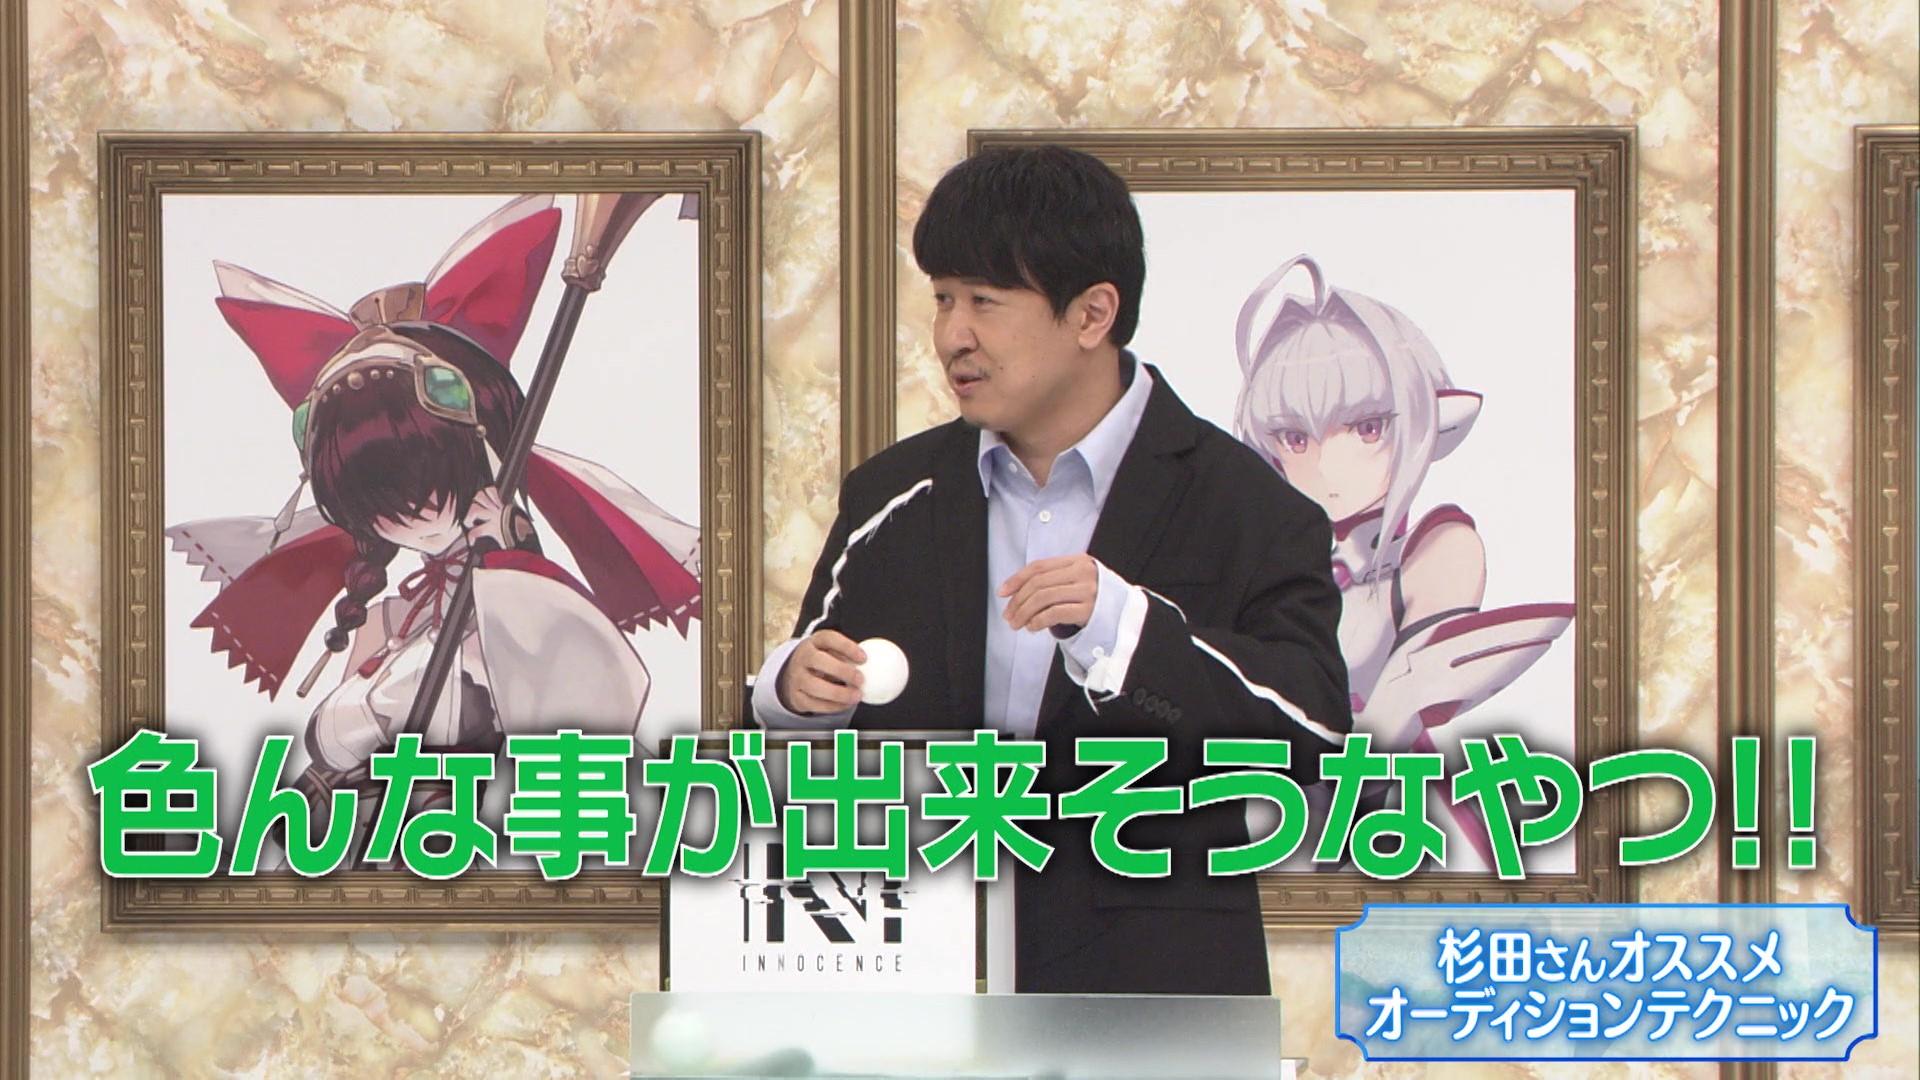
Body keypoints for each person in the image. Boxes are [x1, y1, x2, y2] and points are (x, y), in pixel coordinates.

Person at [750, 146, 1352, 994]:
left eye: (985, 302)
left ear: (1092, 313)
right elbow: (800, 716)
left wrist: (1124, 633)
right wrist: (791, 696)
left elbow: (1314, 733)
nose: (952, 336)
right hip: (919, 983)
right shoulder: (893, 494)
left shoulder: (1248, 505)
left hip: (1154, 996)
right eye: (943, 298)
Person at [169, 194, 701, 814]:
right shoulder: (393, 621)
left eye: (428, 483)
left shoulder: (530, 603)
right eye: (383, 503)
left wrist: (509, 567)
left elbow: (587, 718)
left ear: (488, 454)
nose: (414, 514)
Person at [1231, 253, 1574, 869]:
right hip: (1279, 805)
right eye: (1296, 438)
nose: (1326, 467)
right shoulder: (1261, 561)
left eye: (1365, 428)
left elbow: (1399, 705)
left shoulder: (1439, 548)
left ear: (1417, 424)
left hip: (1395, 811)